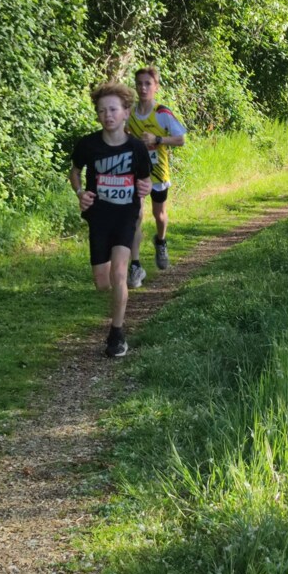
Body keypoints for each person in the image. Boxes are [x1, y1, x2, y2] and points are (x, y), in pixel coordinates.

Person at [70, 82, 152, 358]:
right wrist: (80, 193)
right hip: (99, 217)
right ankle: (119, 293)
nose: (108, 115)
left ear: (126, 112)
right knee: (102, 282)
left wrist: (145, 188)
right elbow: (75, 172)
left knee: (118, 273)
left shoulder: (137, 148)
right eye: (102, 110)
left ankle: (116, 334)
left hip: (125, 215)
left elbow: (145, 181)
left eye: (113, 109)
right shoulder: (88, 144)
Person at [126, 65, 186, 287]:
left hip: (158, 171)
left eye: (148, 84)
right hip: (136, 172)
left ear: (156, 87)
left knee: (159, 214)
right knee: (136, 216)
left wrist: (157, 140)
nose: (143, 88)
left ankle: (161, 241)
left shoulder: (162, 113)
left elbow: (180, 139)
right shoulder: (130, 113)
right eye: (139, 84)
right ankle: (135, 266)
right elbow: (123, 134)